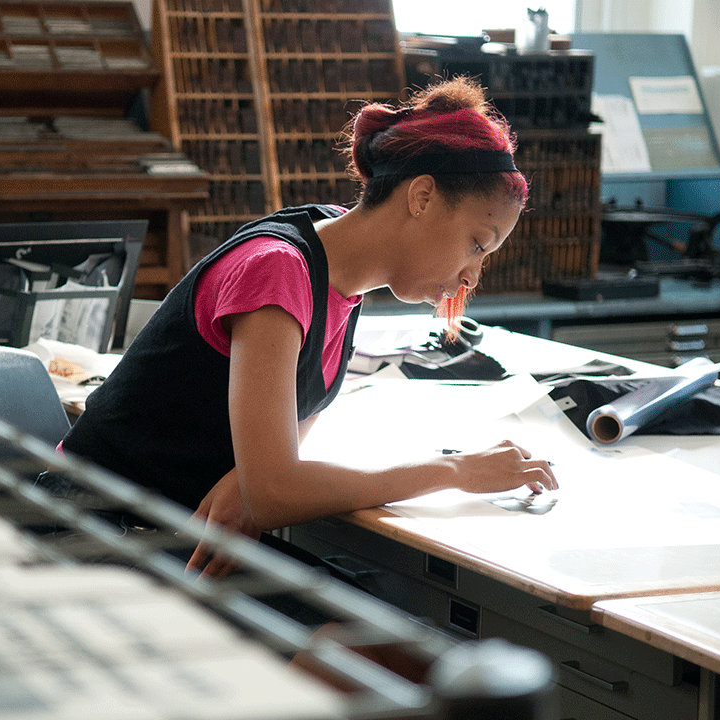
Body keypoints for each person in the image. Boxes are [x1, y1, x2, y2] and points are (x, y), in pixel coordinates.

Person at [60, 76, 558, 577]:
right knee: (375, 640)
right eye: (478, 243)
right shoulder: (280, 269)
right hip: (91, 529)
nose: (473, 275)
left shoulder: (341, 271)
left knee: (379, 625)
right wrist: (457, 471)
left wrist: (249, 477)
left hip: (168, 525)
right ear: (422, 197)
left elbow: (286, 438)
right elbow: (276, 496)